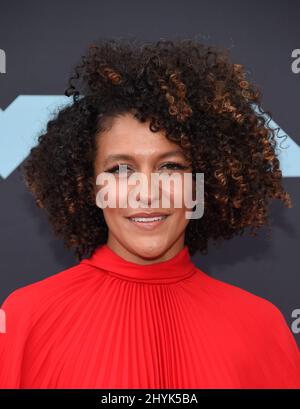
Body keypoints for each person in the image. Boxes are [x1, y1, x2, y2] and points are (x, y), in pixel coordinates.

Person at [0, 38, 299, 389]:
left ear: (201, 184)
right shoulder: (24, 318)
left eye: (170, 167)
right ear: (91, 186)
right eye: (121, 170)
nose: (146, 192)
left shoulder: (260, 326)